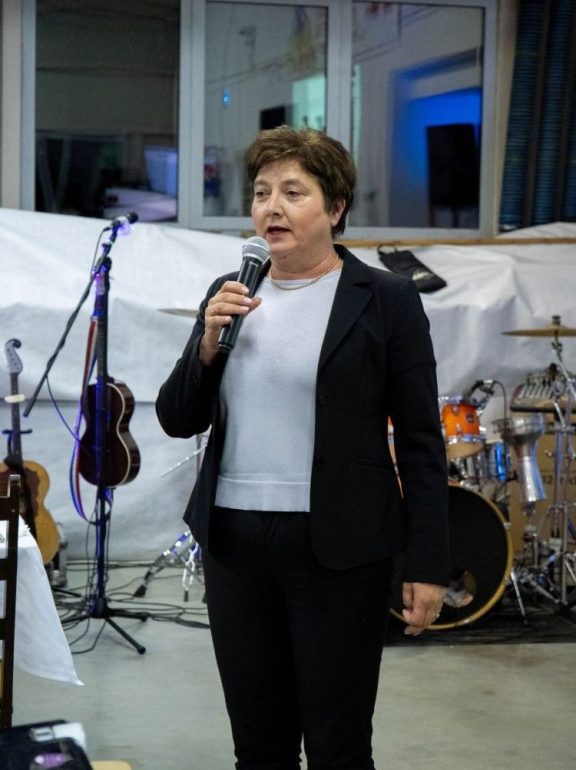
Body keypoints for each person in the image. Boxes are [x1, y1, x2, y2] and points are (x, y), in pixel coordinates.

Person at [156, 125, 450, 770]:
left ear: (335, 208)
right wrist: (205, 346)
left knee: (338, 745)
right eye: (262, 192)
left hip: (340, 549)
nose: (272, 207)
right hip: (234, 543)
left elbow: (422, 443)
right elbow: (177, 418)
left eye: (293, 192)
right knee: (258, 746)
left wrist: (428, 564)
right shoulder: (230, 292)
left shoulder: (387, 300)